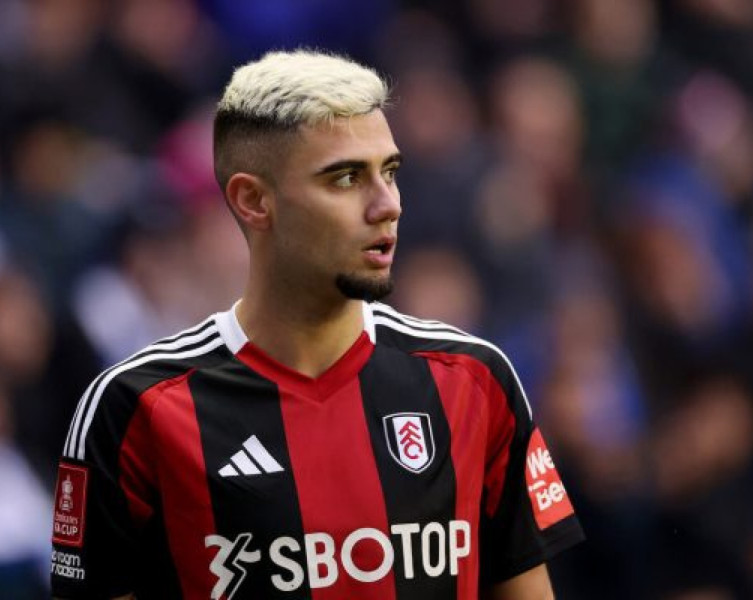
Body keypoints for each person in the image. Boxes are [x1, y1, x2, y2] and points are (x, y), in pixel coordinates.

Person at [51, 49, 584, 599]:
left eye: (390, 172)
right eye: (346, 178)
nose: (387, 205)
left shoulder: (474, 380)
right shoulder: (136, 408)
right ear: (253, 201)